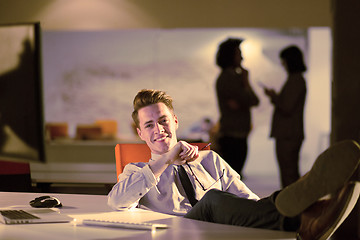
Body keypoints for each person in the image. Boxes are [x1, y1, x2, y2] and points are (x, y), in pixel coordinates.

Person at [108, 89, 360, 240]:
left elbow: (248, 202)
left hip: (223, 231)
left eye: (163, 121)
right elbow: (117, 201)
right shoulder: (137, 172)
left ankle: (304, 211)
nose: (159, 129)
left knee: (252, 203)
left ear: (175, 121)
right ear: (140, 133)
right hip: (180, 232)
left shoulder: (209, 159)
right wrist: (167, 157)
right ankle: (307, 217)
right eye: (149, 125)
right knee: (212, 200)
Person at [263, 45, 307, 188]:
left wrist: (275, 97)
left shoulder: (296, 80)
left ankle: (292, 208)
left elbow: (287, 107)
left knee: (289, 174)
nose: (283, 65)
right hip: (290, 133)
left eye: (284, 61)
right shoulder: (296, 80)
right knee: (289, 172)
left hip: (288, 134)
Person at [215, 38, 259, 177]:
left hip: (238, 133)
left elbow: (253, 101)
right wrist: (245, 83)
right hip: (232, 134)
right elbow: (250, 100)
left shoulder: (234, 77)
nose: (242, 57)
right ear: (230, 56)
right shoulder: (228, 79)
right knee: (233, 177)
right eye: (238, 53)